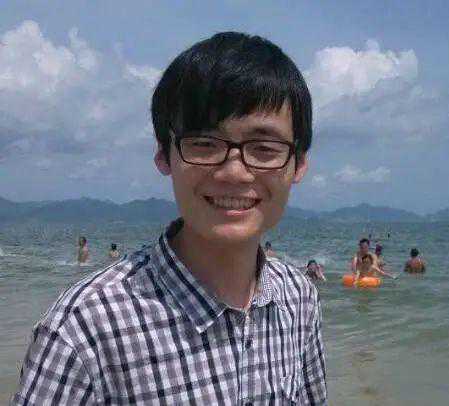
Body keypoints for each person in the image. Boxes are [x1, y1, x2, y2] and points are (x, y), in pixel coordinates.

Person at [13, 32, 326, 405]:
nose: (234, 172)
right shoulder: (84, 329)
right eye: (204, 144)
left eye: (264, 148)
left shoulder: (299, 299)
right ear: (164, 154)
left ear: (298, 164)